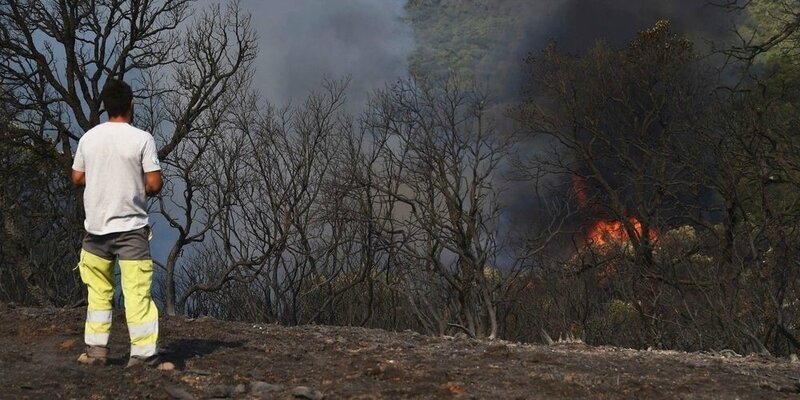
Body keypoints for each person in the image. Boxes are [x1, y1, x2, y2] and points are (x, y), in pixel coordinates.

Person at [71, 78, 171, 369]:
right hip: (131, 232)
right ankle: (141, 355)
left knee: (99, 292)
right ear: (131, 105)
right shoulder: (142, 139)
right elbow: (154, 184)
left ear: (104, 107)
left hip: (96, 230)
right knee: (137, 292)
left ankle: (96, 352)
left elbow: (76, 178)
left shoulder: (89, 138)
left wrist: (101, 177)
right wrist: (130, 180)